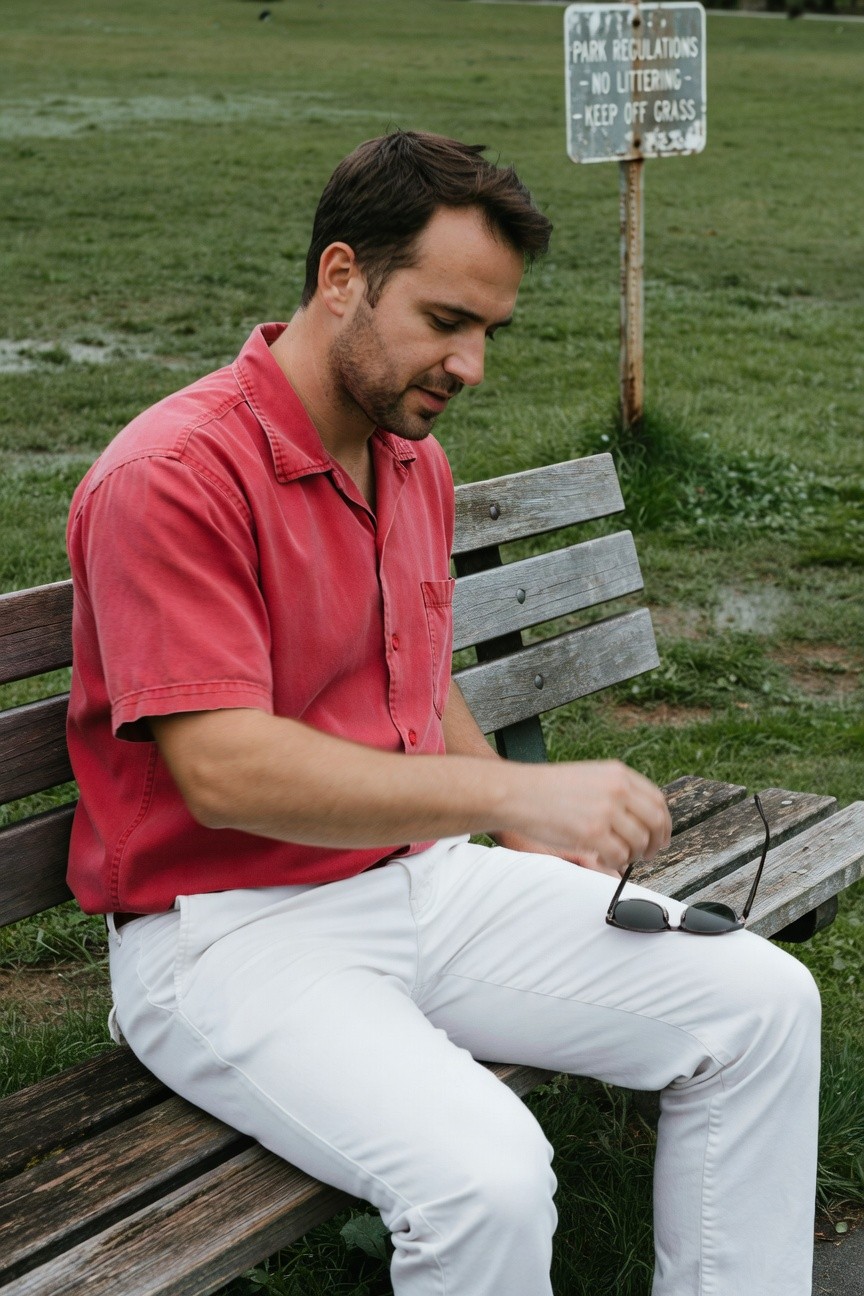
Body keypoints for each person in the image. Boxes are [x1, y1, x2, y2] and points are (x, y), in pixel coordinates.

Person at [66, 131, 820, 1295]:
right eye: (445, 321)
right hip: (226, 933)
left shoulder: (411, 459)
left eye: (489, 333)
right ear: (340, 278)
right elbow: (222, 768)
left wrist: (521, 833)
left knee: (763, 1004)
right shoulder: (173, 473)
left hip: (419, 880)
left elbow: (412, 678)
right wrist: (514, 789)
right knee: (488, 1178)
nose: (470, 364)